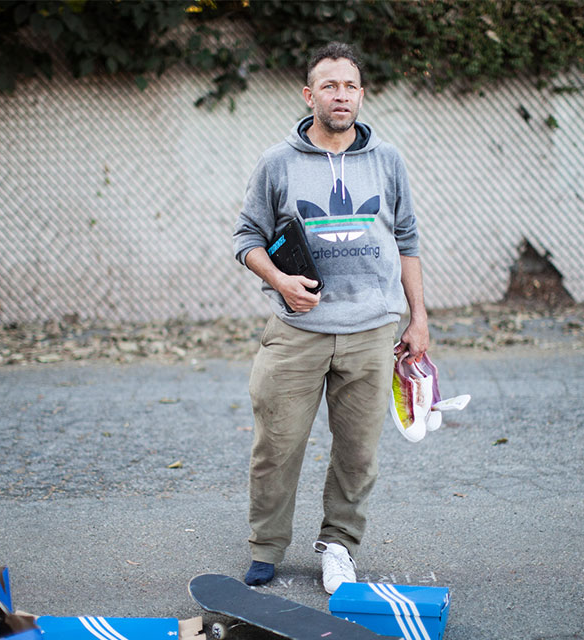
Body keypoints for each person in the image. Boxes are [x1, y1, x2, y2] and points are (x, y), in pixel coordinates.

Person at [232, 42, 429, 594]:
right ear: (309, 94)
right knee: (276, 446)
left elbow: (408, 239)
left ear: (361, 95)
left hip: (372, 331)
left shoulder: (387, 160)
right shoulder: (278, 162)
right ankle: (266, 548)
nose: (340, 95)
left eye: (349, 86)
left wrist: (419, 319)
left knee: (358, 452)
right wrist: (280, 281)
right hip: (296, 332)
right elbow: (246, 238)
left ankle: (339, 546)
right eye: (329, 86)